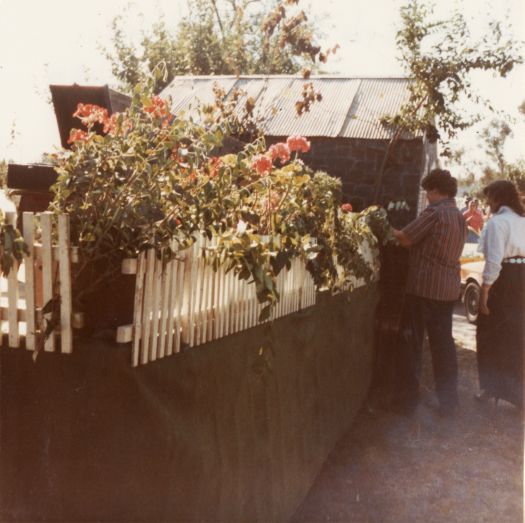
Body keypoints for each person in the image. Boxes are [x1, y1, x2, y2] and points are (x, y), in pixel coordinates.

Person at [392, 169, 467, 416]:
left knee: (411, 343)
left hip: (424, 289)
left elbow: (405, 239)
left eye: (428, 191)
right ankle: (449, 403)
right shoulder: (458, 215)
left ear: (436, 190)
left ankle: (405, 403)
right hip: (447, 290)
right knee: (443, 346)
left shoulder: (434, 213)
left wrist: (382, 225)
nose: (426, 196)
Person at [475, 180, 525, 409]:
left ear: (498, 199)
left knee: (489, 334)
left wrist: (485, 291)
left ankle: (492, 388)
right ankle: (516, 394)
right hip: (521, 279)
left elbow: (494, 261)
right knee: (516, 335)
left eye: (490, 198)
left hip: (504, 281)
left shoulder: (498, 222)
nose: (488, 203)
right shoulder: (522, 220)